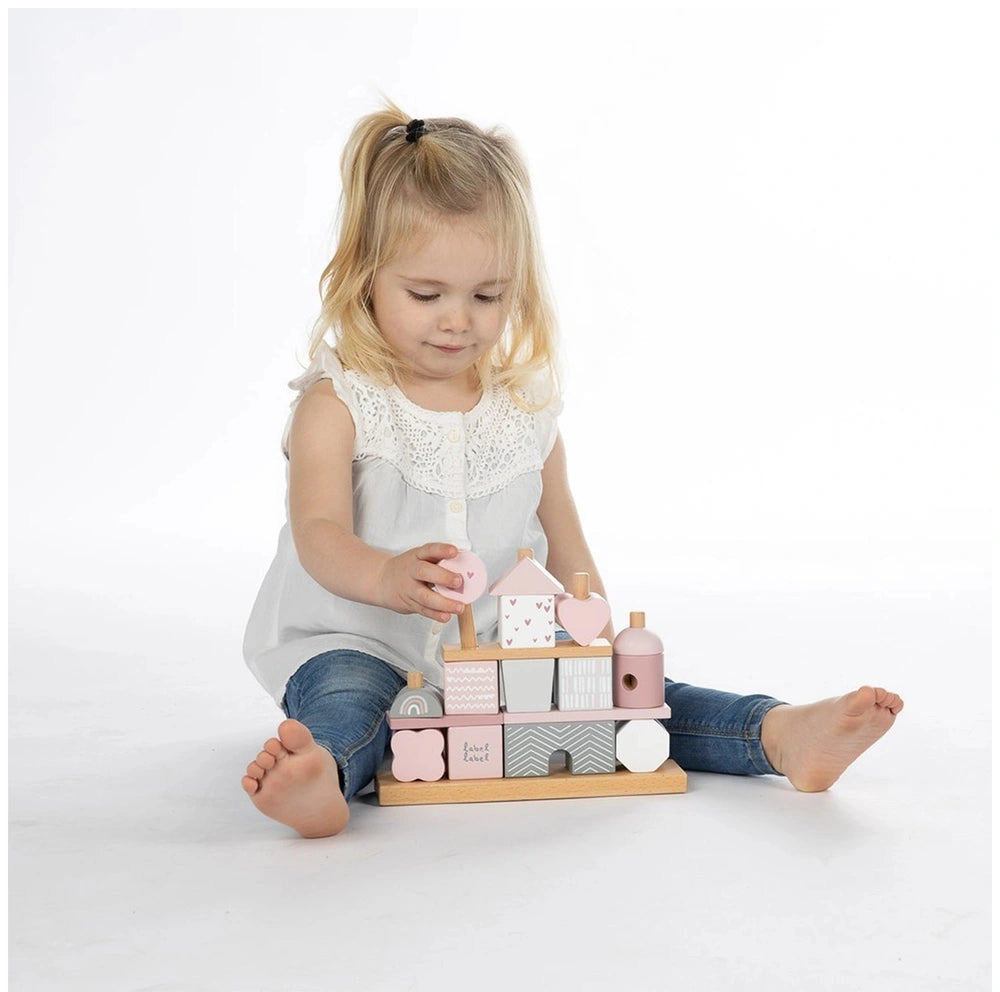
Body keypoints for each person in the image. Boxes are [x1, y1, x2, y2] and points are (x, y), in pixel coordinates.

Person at [241, 105, 903, 838]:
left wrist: (601, 647)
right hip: (357, 641)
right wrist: (384, 578)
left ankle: (775, 735)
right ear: (366, 277)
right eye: (426, 295)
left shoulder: (524, 415)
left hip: (496, 654)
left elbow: (565, 545)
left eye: (487, 296)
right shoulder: (340, 403)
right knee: (348, 699)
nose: (458, 320)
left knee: (635, 699)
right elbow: (320, 533)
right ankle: (324, 776)